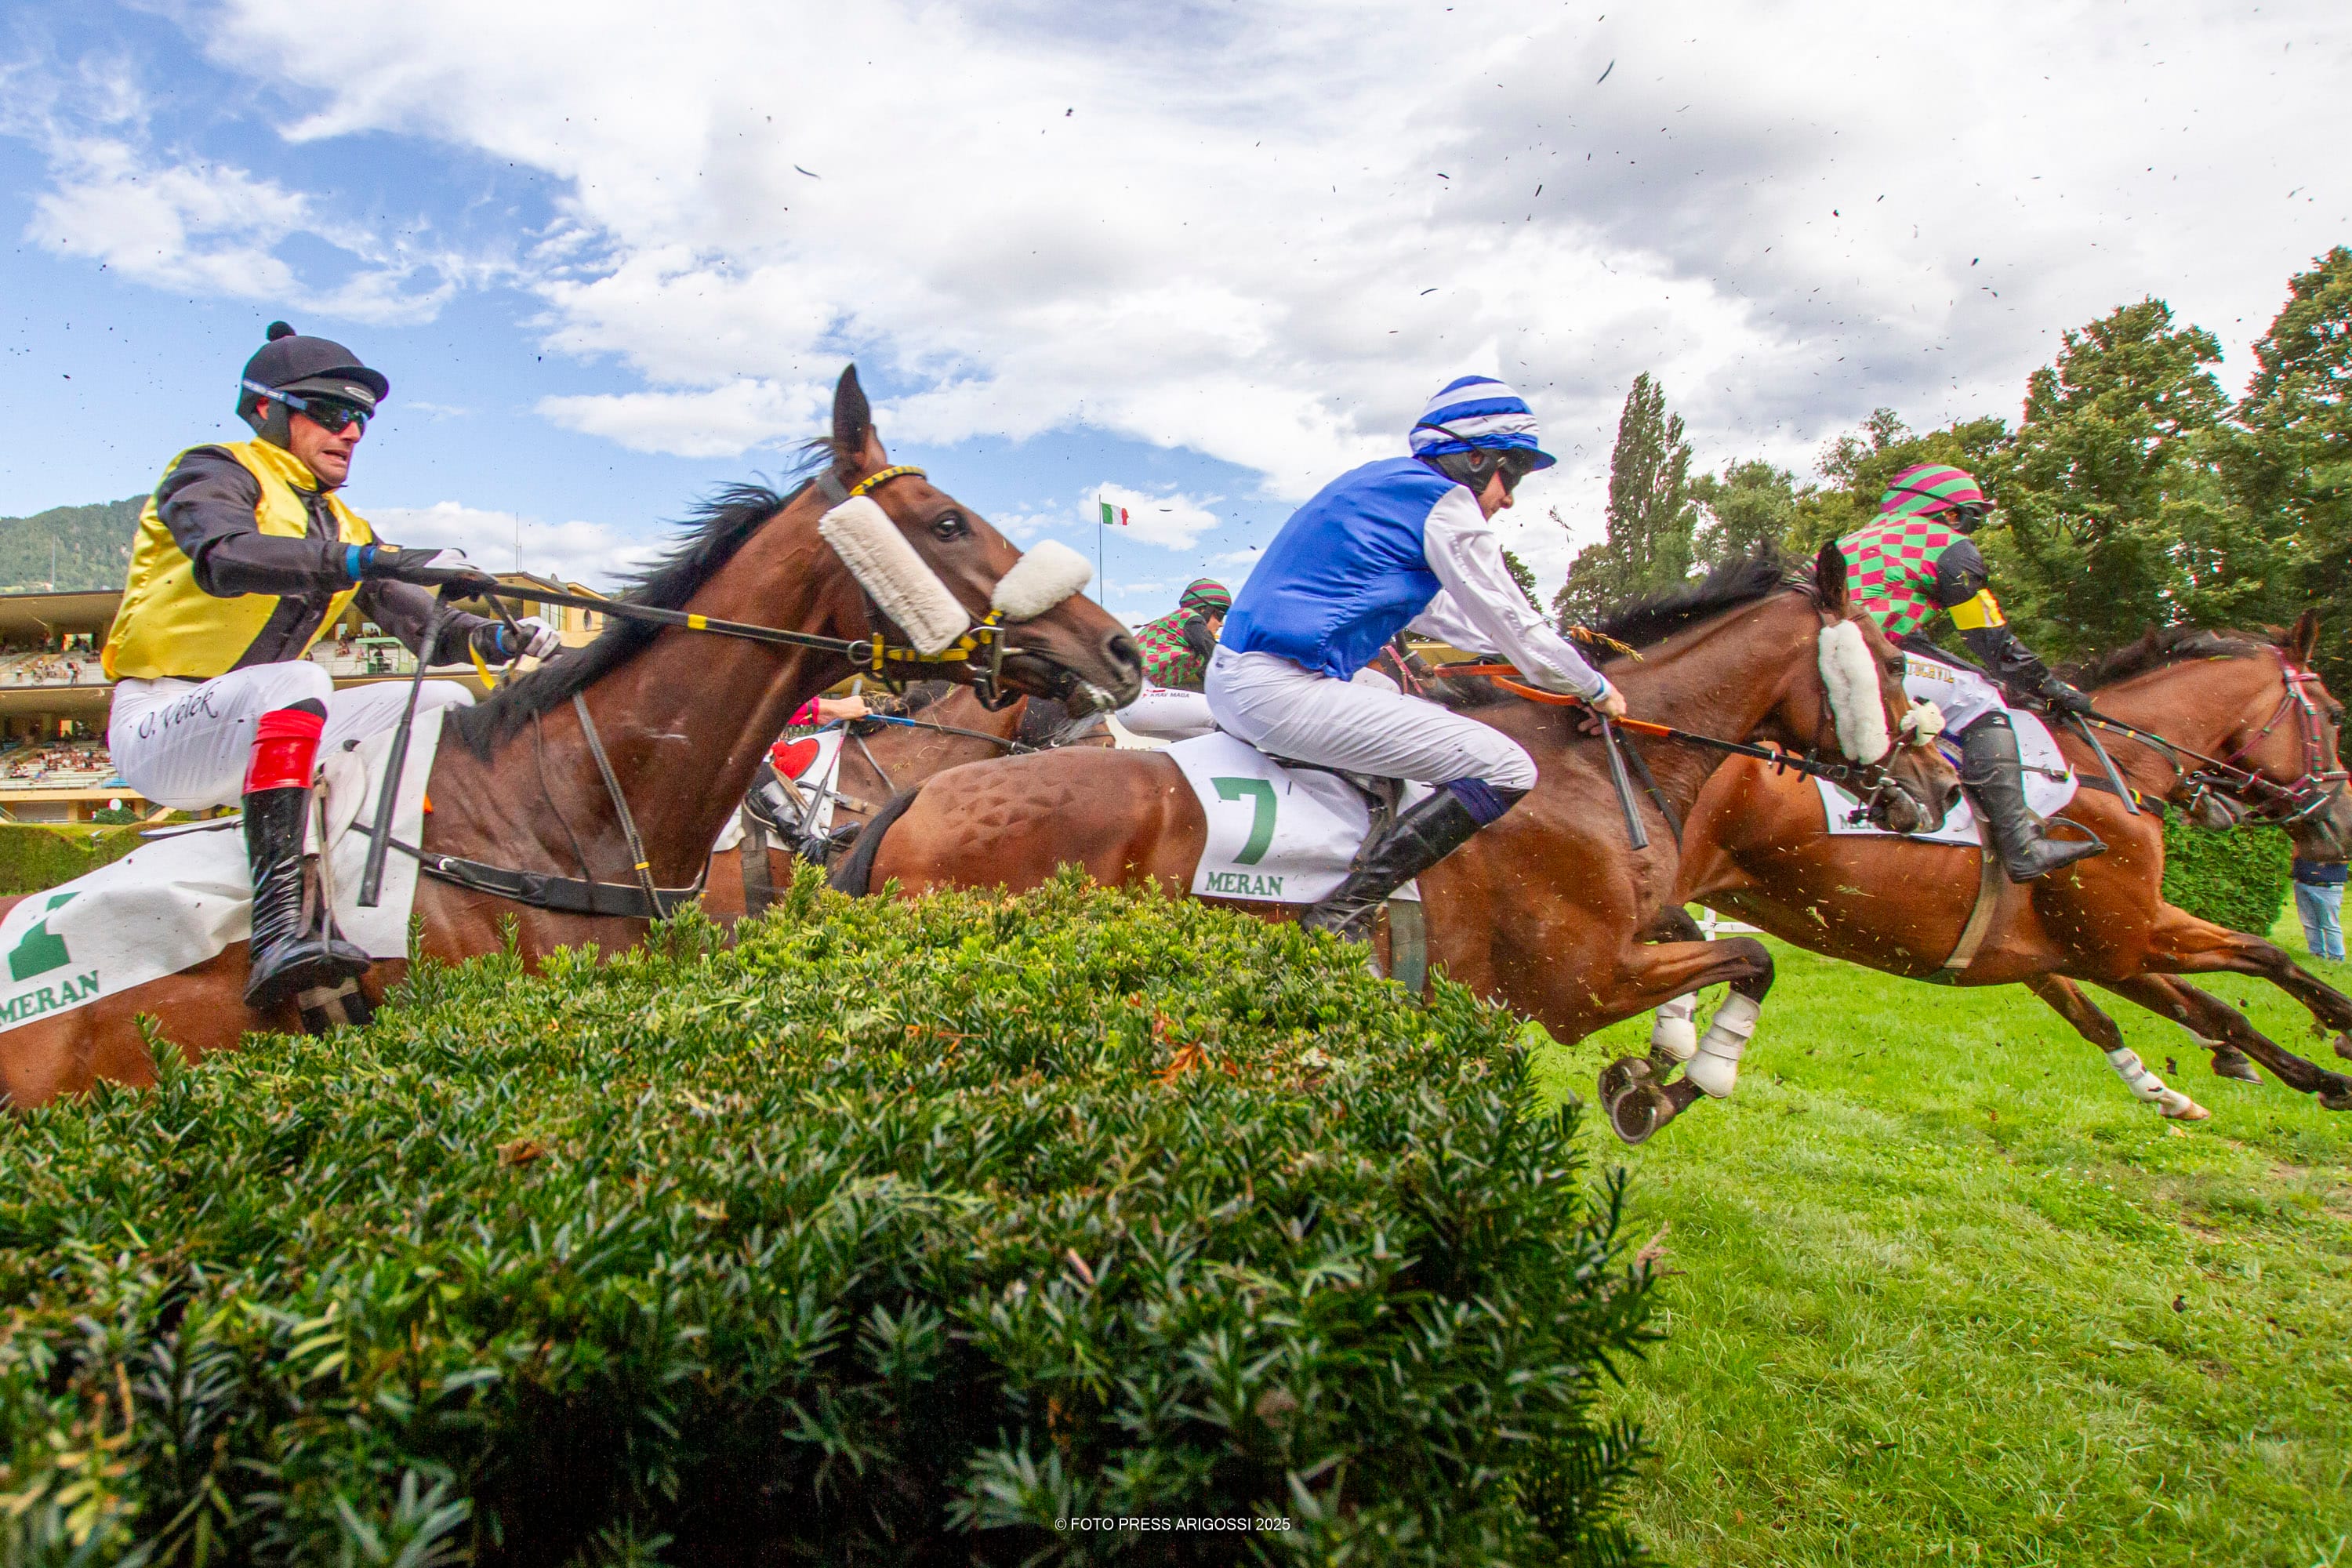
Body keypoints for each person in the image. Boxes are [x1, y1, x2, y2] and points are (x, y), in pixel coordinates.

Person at [103, 321, 561, 1010]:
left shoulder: (345, 523)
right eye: (329, 413)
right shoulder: (213, 470)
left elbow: (426, 628)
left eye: (360, 420)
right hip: (163, 719)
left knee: (440, 699)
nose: (350, 431)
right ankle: (281, 929)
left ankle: (424, 886)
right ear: (266, 411)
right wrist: (372, 559)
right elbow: (226, 558)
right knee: (302, 679)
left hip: (252, 721)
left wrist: (503, 640)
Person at [1208, 375, 1624, 939]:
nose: (1510, 497)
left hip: (1242, 680)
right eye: (1514, 472)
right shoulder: (1446, 502)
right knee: (1507, 767)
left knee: (1389, 695)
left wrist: (1542, 663)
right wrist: (1594, 687)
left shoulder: (1385, 486)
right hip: (1277, 690)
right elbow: (1515, 622)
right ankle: (1342, 914)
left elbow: (1449, 619)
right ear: (1476, 459)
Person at [1835, 462, 2103, 881]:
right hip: (1871, 656)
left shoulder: (1852, 540)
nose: (1968, 532)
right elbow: (1988, 637)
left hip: (1828, 656)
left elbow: (1913, 640)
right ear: (1952, 514)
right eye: (1971, 520)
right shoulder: (1945, 545)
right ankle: (2021, 846)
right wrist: (2047, 685)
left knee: (1971, 680)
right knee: (1980, 697)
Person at [1113, 579, 1230, 742]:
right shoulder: (1189, 617)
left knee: (1209, 737)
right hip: (1140, 698)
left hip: (1131, 708)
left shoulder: (1180, 638)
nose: (1221, 623)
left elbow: (1213, 678)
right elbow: (1218, 657)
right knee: (1225, 714)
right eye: (1220, 614)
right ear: (1204, 609)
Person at [2293, 857, 2347, 961]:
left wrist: (2322, 854)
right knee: (2309, 923)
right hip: (2302, 883)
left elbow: (2345, 858)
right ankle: (2316, 955)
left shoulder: (2342, 840)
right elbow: (2296, 852)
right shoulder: (2305, 840)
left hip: (2329, 885)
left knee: (2330, 924)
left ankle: (2336, 958)